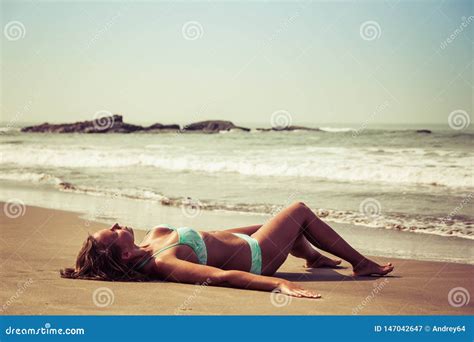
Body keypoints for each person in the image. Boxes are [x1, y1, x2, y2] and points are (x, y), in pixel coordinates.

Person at [61, 202, 394, 298]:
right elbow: (219, 277)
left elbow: (210, 237)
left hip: (241, 241)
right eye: (114, 232)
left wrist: (256, 229)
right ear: (125, 255)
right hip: (257, 259)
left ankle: (312, 256)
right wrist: (279, 284)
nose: (118, 224)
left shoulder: (150, 242)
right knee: (300, 212)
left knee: (284, 227)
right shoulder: (164, 262)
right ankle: (361, 264)